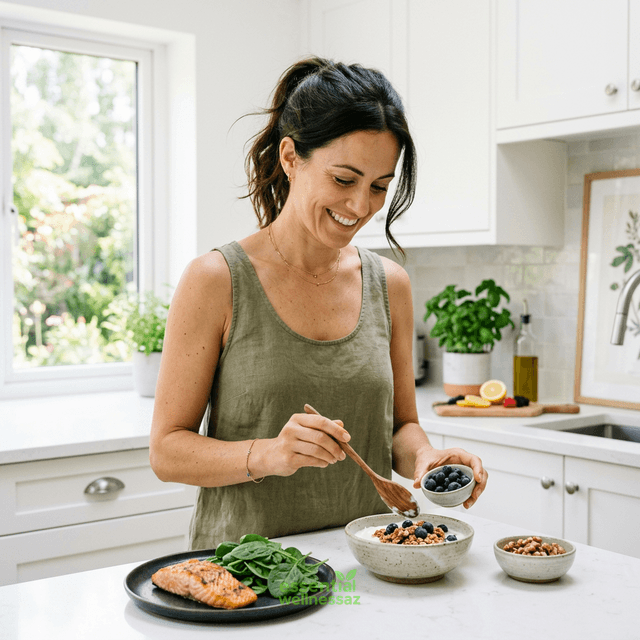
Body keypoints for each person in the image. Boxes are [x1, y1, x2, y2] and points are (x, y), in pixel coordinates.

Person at [149, 57, 488, 550]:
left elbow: (400, 426)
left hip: (363, 568)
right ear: (291, 157)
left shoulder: (389, 284)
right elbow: (166, 451)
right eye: (344, 180)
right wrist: (268, 454)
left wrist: (425, 458)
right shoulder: (216, 280)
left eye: (379, 187)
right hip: (245, 577)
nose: (360, 207)